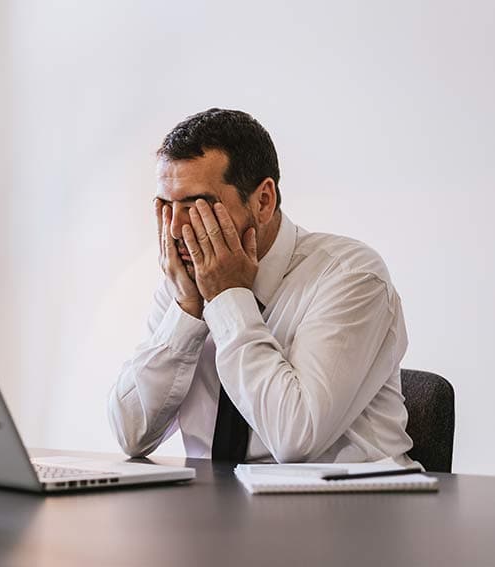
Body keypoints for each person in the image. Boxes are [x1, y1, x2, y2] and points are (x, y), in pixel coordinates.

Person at [108, 108, 414, 465]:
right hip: (212, 511)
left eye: (196, 206)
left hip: (345, 510)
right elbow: (131, 435)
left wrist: (227, 300)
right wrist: (186, 312)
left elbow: (295, 439)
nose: (175, 229)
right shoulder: (184, 282)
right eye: (165, 206)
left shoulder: (351, 276)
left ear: (263, 201)